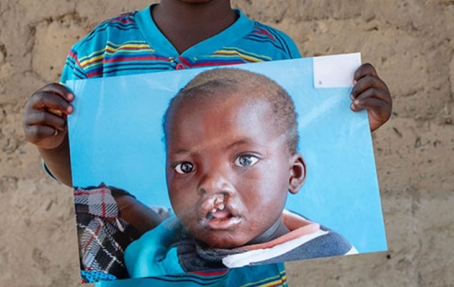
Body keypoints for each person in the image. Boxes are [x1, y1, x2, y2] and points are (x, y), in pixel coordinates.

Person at [23, 0, 392, 286]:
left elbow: (301, 161)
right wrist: (52, 141)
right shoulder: (99, 54)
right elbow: (81, 178)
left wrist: (352, 125)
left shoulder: (273, 55)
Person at [125, 68, 357, 278]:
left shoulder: (327, 254)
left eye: (245, 159)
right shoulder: (170, 235)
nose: (212, 183)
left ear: (293, 174)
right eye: (186, 167)